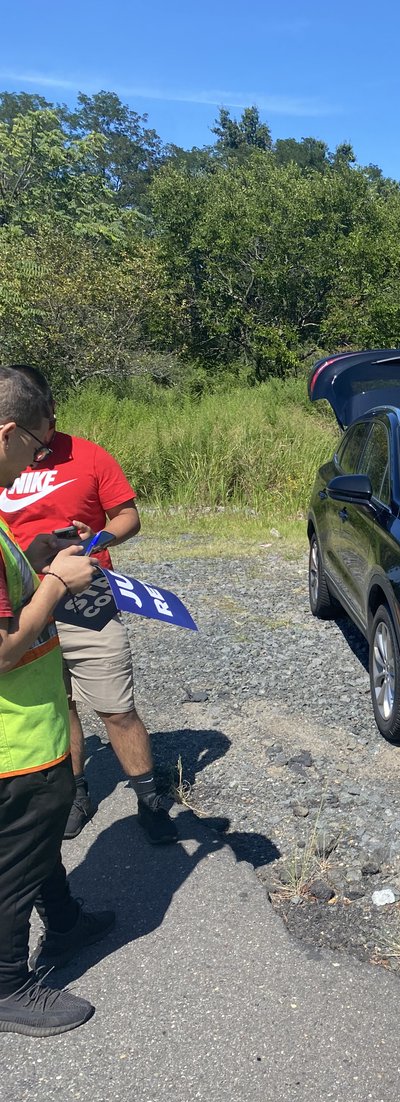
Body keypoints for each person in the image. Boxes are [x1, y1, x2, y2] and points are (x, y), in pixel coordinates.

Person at [0, 367, 177, 845]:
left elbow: (128, 515)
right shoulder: (7, 461)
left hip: (88, 596)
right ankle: (76, 793)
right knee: (60, 704)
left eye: (52, 420)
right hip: (21, 601)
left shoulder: (90, 456)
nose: (49, 433)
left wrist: (98, 538)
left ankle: (149, 798)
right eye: (42, 424)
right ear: (14, 429)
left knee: (116, 707)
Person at [0, 366, 115, 1036]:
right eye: (34, 450)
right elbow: (5, 647)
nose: (32, 467)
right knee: (16, 854)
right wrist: (55, 581)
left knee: (38, 837)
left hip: (31, 728)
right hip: (14, 738)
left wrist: (38, 555)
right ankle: (10, 983)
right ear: (9, 432)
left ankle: (66, 922)